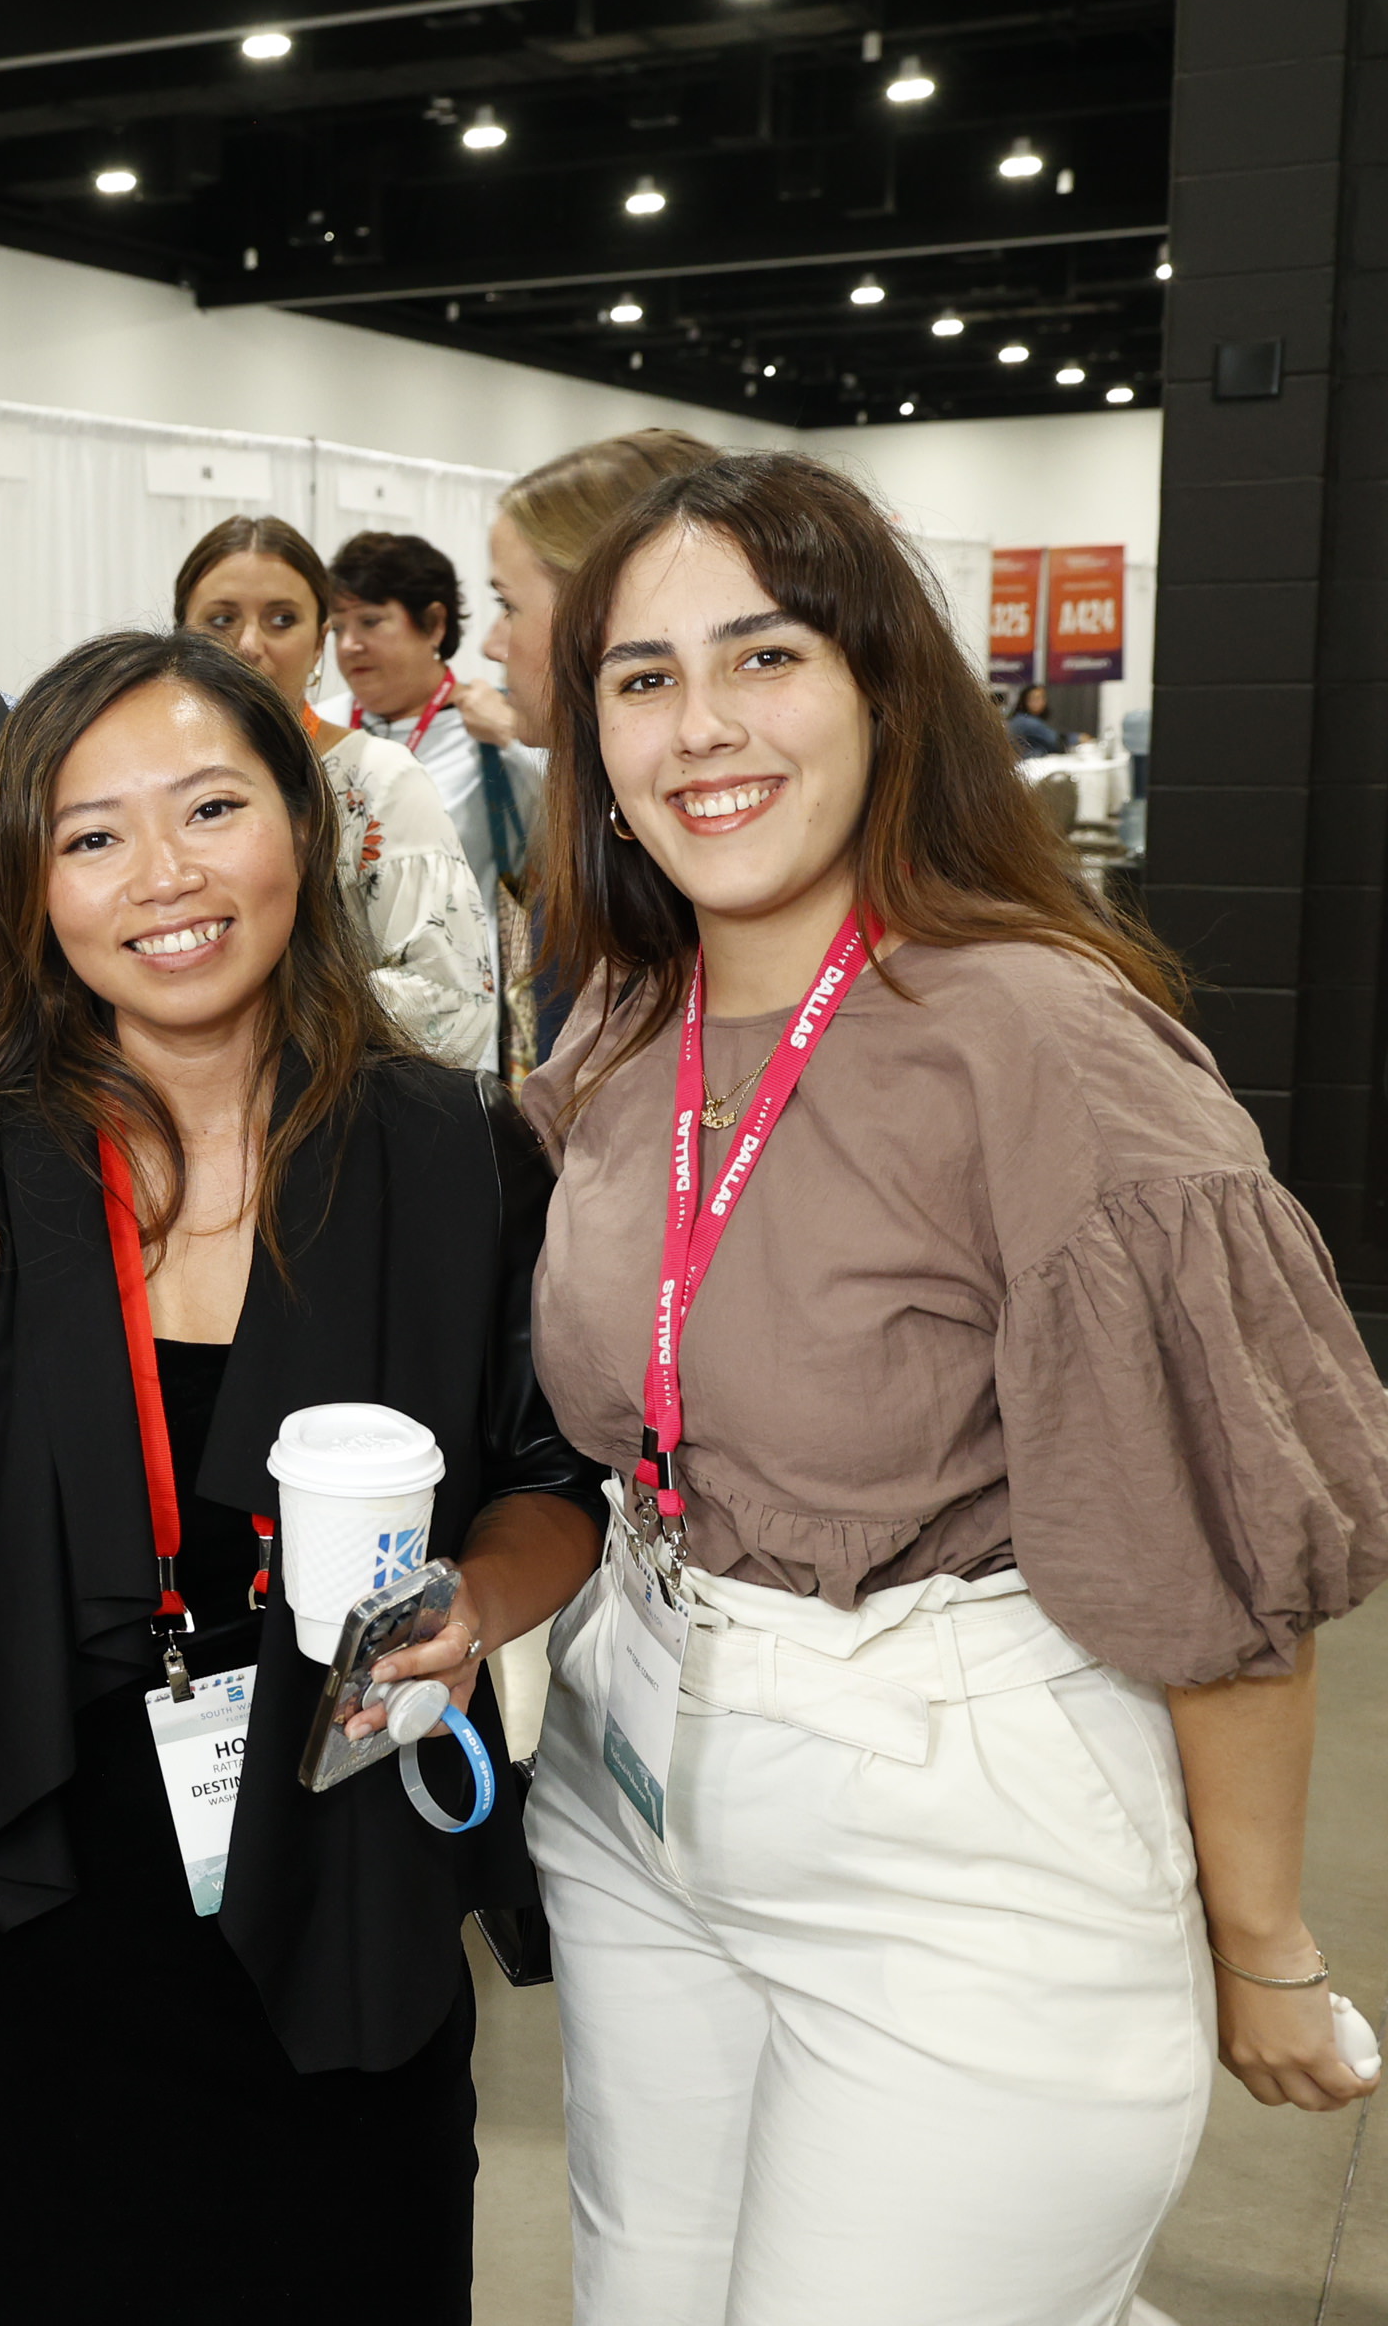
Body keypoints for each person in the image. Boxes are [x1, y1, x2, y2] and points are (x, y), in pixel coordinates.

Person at [522, 448, 1388, 2325]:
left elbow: (1219, 1572)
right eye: (641, 679)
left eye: (763, 658)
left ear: (880, 688)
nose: (699, 730)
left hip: (953, 1822)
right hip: (634, 1775)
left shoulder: (1038, 1041)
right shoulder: (616, 1016)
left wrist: (1257, 1944)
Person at [0, 625, 602, 2320]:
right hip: (48, 1910)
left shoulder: (452, 1155)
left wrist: (473, 1599)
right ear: (31, 885)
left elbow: (549, 1481)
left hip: (349, 1895)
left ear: (302, 832)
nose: (156, 878)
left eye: (207, 808)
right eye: (91, 835)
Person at [173, 518, 494, 1069]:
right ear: (179, 636)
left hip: (341, 1108)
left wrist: (263, 1027)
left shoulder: (376, 778)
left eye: (282, 619)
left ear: (319, 642)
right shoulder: (144, 782)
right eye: (221, 619)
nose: (249, 645)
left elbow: (454, 995)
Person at [479, 427, 721, 1072]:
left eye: (508, 605)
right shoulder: (596, 831)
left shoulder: (709, 855)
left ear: (600, 617)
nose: (493, 643)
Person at [333, 529, 543, 909]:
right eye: (337, 628)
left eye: (370, 621)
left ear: (433, 624)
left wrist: (511, 735)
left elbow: (568, 831)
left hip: (458, 962)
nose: (349, 644)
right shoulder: (320, 725)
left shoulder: (491, 730)